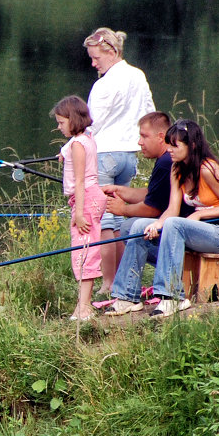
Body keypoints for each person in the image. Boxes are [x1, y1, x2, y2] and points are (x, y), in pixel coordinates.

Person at [106, 119, 219, 318]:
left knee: (174, 224)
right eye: (168, 143)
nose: (169, 149)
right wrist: (157, 224)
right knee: (138, 226)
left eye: (175, 145)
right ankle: (127, 296)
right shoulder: (177, 169)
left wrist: (200, 213)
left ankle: (172, 297)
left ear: (192, 145)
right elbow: (172, 209)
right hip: (199, 232)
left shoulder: (208, 169)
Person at [83, 27, 156, 295]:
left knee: (104, 224)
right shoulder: (138, 75)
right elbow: (150, 114)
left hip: (103, 156)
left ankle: (108, 283)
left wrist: (73, 150)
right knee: (120, 219)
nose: (93, 64)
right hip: (129, 157)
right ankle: (126, 281)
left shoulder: (103, 85)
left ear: (111, 51)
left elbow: (92, 125)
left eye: (96, 58)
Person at [99, 111, 194, 300]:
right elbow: (152, 194)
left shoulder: (167, 162)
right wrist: (118, 190)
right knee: (132, 225)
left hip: (184, 231)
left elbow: (153, 209)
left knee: (128, 227)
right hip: (181, 228)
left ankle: (171, 272)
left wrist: (122, 209)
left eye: (144, 136)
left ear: (161, 137)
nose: (139, 142)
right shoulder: (167, 159)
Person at [52, 95, 106, 321]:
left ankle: (84, 308)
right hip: (93, 198)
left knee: (84, 253)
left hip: (85, 200)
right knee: (86, 250)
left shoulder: (76, 145)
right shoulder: (87, 138)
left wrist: (80, 213)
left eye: (61, 123)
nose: (58, 127)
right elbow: (76, 147)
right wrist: (64, 153)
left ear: (73, 120)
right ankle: (81, 306)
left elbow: (81, 181)